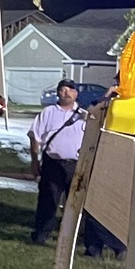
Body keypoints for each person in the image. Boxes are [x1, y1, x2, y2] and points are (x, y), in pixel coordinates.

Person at [28, 80, 87, 244]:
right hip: (52, 163)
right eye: (63, 89)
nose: (66, 93)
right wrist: (35, 161)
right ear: (58, 93)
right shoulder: (48, 112)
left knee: (74, 203)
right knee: (48, 200)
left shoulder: (84, 115)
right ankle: (41, 234)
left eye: (70, 90)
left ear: (76, 94)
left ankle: (74, 238)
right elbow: (35, 136)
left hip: (76, 165)